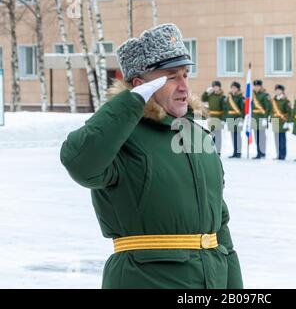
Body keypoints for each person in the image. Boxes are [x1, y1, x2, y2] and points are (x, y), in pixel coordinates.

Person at [60, 24, 243, 289]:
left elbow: (219, 228)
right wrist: (130, 104)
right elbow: (79, 163)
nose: (183, 87)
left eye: (185, 75)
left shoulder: (198, 136)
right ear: (140, 85)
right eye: (171, 77)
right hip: (145, 279)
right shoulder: (120, 137)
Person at [202, 81, 226, 156]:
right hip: (211, 117)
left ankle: (218, 151)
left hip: (218, 117)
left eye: (216, 86)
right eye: (213, 86)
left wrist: (223, 119)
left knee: (218, 136)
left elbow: (225, 109)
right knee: (211, 135)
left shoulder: (222, 97)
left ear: (219, 87)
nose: (215, 88)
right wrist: (206, 92)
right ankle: (212, 151)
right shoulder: (210, 95)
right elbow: (203, 99)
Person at [251, 80, 271, 159]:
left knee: (262, 137)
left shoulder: (264, 95)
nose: (256, 87)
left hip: (261, 118)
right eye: (255, 86)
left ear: (261, 86)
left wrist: (265, 118)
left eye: (258, 86)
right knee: (256, 136)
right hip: (254, 118)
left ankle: (262, 152)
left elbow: (268, 107)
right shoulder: (252, 95)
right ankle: (258, 152)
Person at [271, 84, 292, 160]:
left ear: (282, 91)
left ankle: (282, 155)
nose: (277, 91)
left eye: (279, 90)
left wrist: (288, 122)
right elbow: (271, 110)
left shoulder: (286, 101)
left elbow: (289, 112)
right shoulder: (273, 100)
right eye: (276, 90)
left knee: (282, 139)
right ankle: (278, 154)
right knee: (276, 139)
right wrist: (271, 118)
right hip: (275, 121)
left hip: (282, 121)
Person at [225, 82, 245, 159]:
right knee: (233, 136)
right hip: (230, 118)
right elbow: (226, 108)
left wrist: (241, 119)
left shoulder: (240, 97)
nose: (233, 89)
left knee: (238, 136)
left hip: (237, 118)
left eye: (235, 88)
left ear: (238, 89)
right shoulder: (229, 97)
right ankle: (234, 152)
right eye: (232, 88)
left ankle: (238, 152)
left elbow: (242, 109)